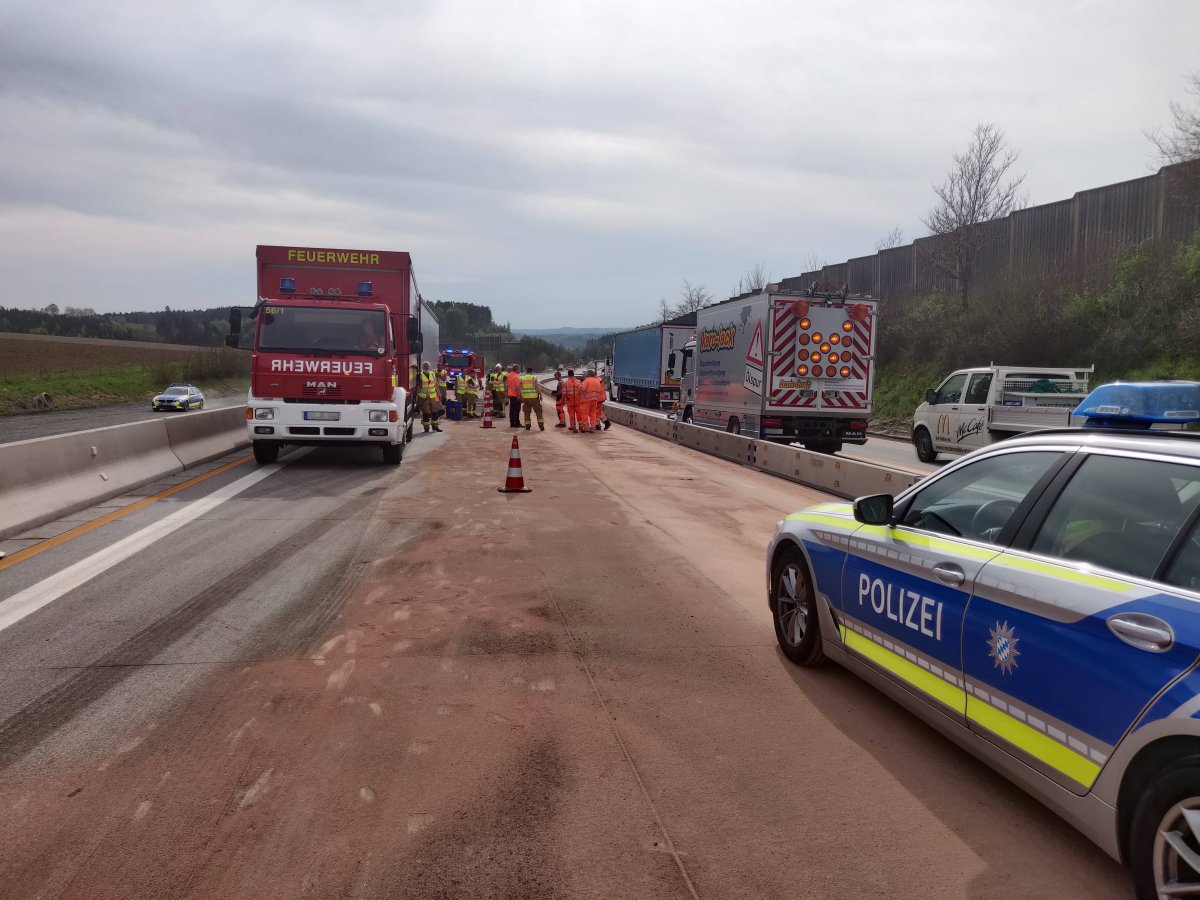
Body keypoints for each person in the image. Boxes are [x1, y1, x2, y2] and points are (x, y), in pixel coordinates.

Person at [417, 361, 442, 433]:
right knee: (426, 413)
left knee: (435, 412)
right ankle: (426, 428)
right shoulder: (420, 375)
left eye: (427, 366)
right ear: (422, 367)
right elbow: (417, 386)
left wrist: (439, 393)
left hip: (433, 396)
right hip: (423, 397)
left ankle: (435, 426)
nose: (426, 367)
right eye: (425, 366)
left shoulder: (432, 374)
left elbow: (436, 384)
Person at [519, 366, 545, 431]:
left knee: (526, 412)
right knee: (538, 411)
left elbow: (519, 388)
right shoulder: (534, 378)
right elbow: (537, 388)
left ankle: (527, 425)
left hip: (525, 398)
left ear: (526, 371)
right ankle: (541, 425)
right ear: (531, 372)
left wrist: (520, 396)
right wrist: (541, 395)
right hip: (534, 398)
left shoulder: (522, 378)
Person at [580, 368, 604, 433]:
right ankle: (593, 427)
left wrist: (579, 385)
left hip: (586, 400)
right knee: (593, 414)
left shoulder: (586, 381)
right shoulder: (597, 381)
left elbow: (583, 389)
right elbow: (599, 390)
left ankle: (586, 427)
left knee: (584, 414)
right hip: (595, 400)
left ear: (588, 374)